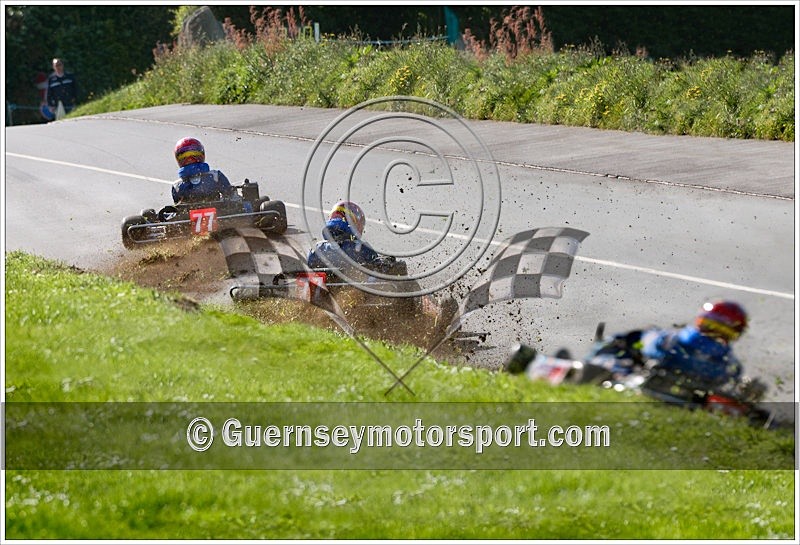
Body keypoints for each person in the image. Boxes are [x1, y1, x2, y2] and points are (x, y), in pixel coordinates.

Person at [638, 300, 747, 386]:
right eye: (711, 326)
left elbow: (649, 346)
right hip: (706, 382)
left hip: (664, 367)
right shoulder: (728, 360)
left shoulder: (675, 338)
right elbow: (732, 377)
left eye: (723, 331)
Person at [307, 201, 394, 273]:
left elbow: (310, 264)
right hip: (352, 287)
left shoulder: (316, 249)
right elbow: (377, 264)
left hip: (322, 289)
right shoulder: (361, 249)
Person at [171, 137, 237, 204]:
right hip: (216, 211)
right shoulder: (215, 176)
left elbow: (230, 195)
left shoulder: (177, 186)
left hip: (218, 209)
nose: (190, 159)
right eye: (184, 157)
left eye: (194, 155)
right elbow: (231, 195)